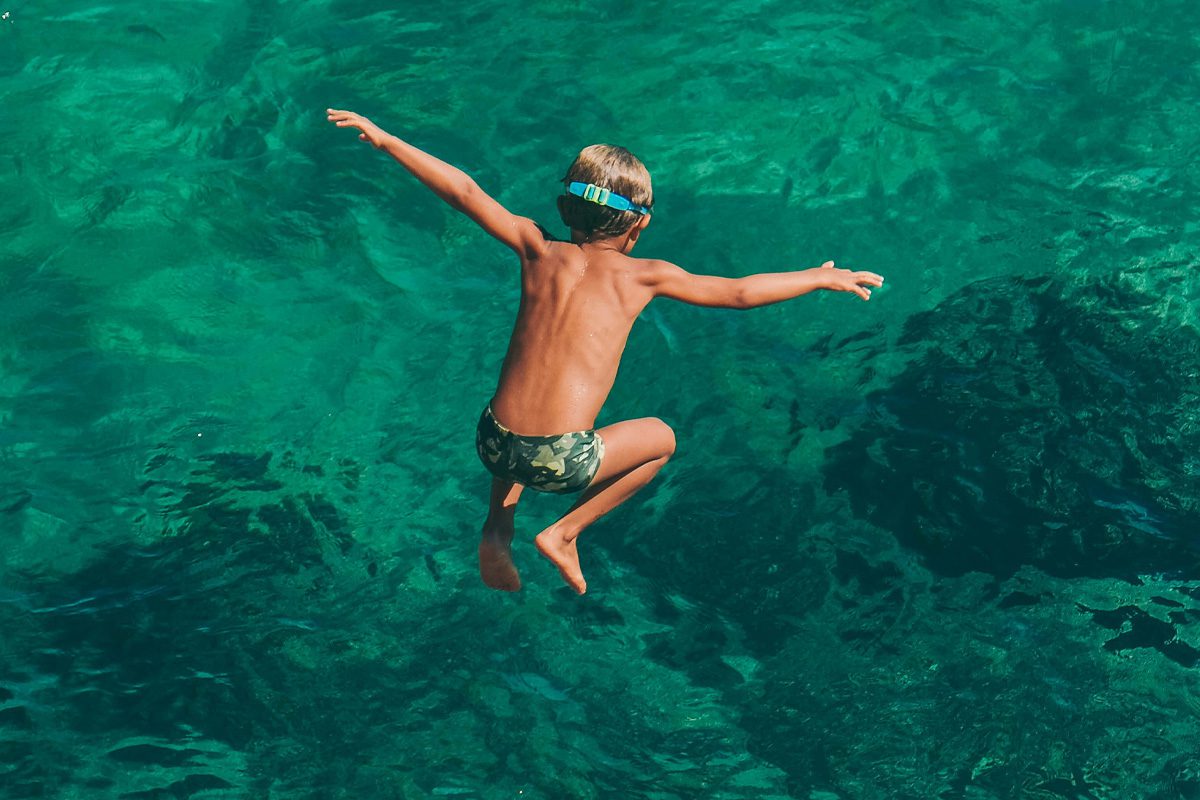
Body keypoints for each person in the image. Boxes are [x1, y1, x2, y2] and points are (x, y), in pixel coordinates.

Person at [327, 108, 884, 595]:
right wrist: (814, 277)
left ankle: (497, 528)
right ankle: (564, 533)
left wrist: (386, 139)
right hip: (560, 462)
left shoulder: (535, 247)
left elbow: (465, 192)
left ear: (566, 206)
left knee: (523, 423)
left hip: (492, 440)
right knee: (663, 439)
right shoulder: (644, 277)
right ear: (638, 222)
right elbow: (738, 292)